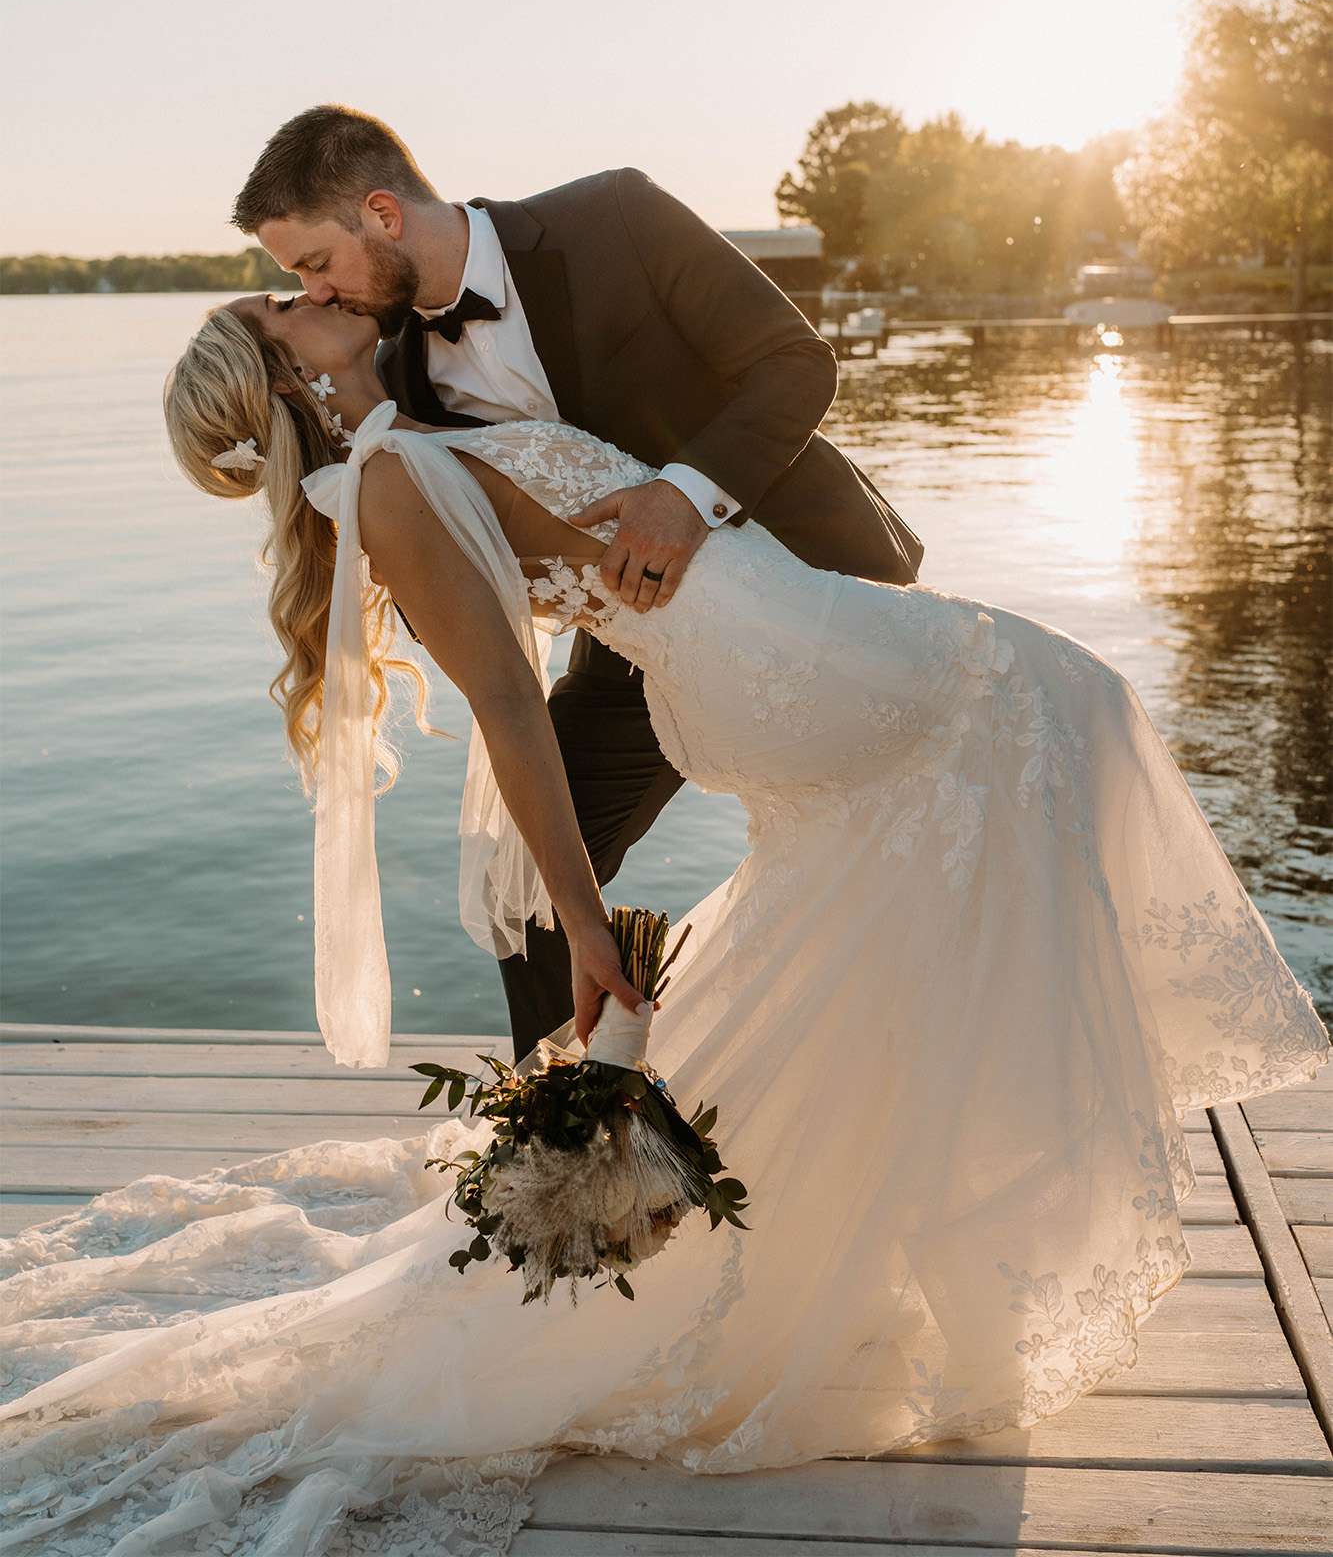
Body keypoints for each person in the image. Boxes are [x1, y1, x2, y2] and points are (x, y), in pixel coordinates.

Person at [0, 285, 1327, 1557]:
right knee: (1061, 702)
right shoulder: (388, 490)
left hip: (783, 628)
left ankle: (926, 1199)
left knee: (946, 846)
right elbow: (512, 714)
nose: (300, 292)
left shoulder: (416, 428)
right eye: (278, 310)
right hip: (761, 664)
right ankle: (996, 1183)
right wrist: (582, 925)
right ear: (293, 378)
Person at [227, 104, 925, 1064]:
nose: (314, 289)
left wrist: (682, 497)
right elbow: (474, 588)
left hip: (819, 583)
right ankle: (573, 1153)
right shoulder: (396, 374)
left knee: (901, 871)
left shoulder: (614, 219)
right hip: (639, 645)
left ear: (381, 215)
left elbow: (794, 364)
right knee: (533, 895)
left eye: (313, 263)